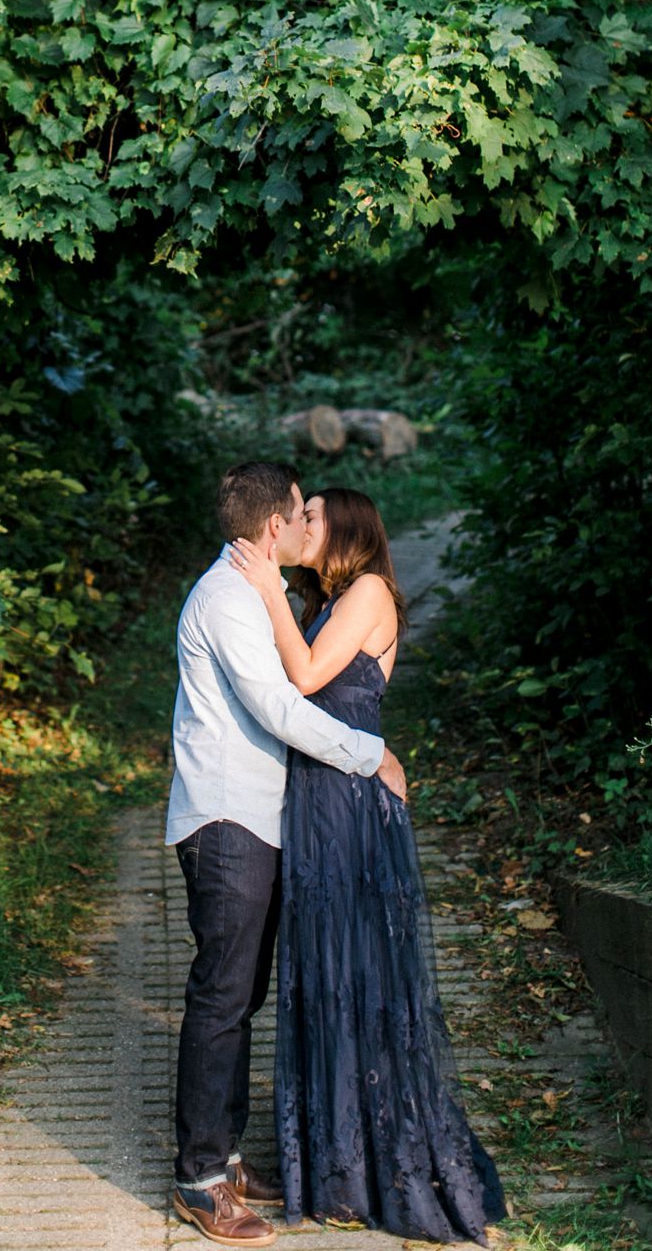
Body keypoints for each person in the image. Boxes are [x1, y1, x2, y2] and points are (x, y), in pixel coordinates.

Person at [229, 486, 507, 1245]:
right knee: (321, 973)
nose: (300, 525)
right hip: (315, 803)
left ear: (347, 527)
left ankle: (375, 1159)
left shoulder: (370, 590)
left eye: (312, 516)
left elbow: (310, 676)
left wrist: (267, 592)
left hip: (350, 806)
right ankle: (334, 1164)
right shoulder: (322, 599)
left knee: (360, 973)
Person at [168, 462, 407, 1248]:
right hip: (229, 819)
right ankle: (200, 1181)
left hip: (258, 821)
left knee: (240, 997)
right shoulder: (231, 597)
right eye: (299, 512)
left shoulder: (253, 594)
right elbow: (279, 705)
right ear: (277, 528)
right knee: (221, 996)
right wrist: (369, 755)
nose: (306, 522)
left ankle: (226, 1157)